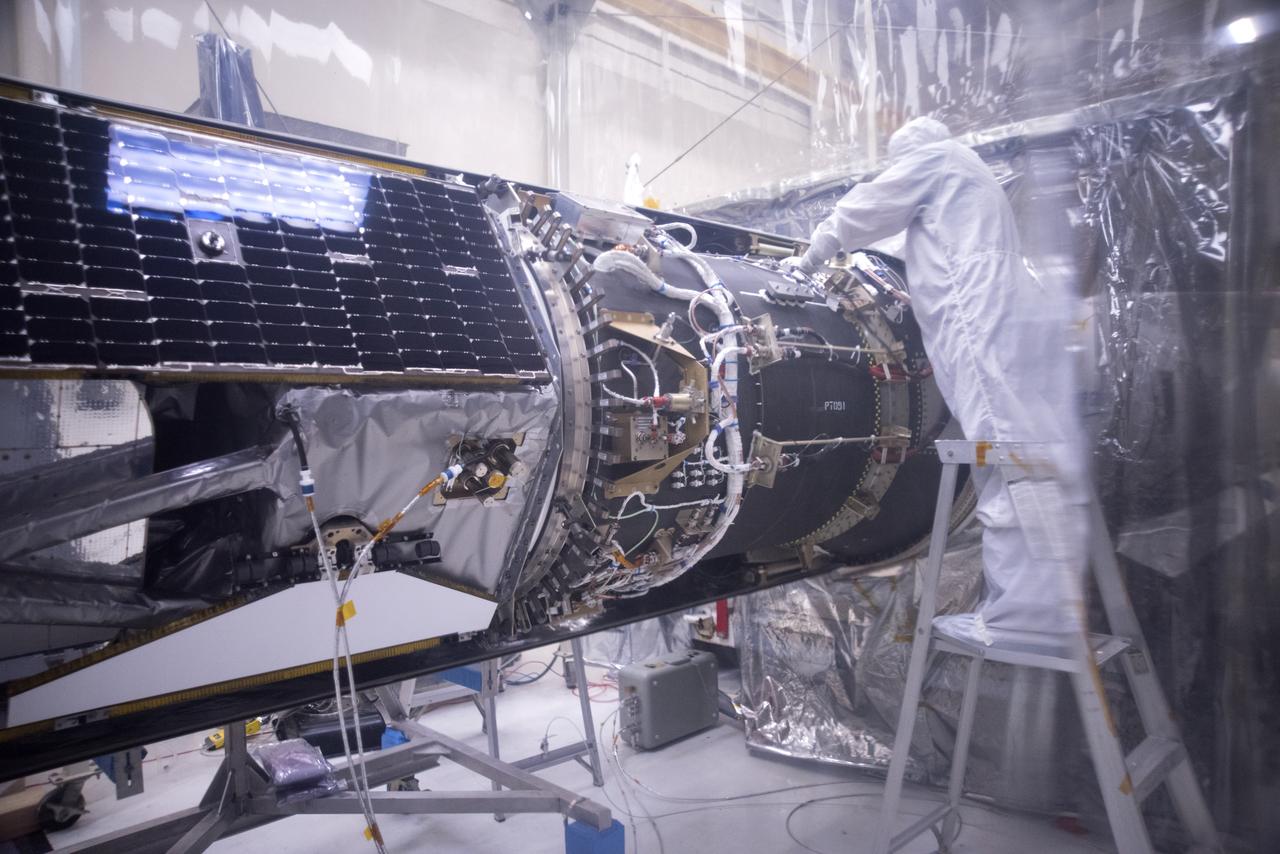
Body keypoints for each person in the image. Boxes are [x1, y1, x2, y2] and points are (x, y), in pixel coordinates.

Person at [785, 117, 1087, 645]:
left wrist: (808, 258)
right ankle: (1050, 600)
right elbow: (909, 241)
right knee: (1016, 449)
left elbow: (864, 209)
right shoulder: (968, 178)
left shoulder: (937, 161)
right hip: (999, 310)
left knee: (1005, 453)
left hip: (977, 315)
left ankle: (1027, 618)